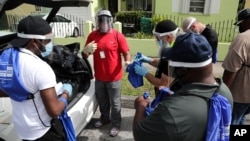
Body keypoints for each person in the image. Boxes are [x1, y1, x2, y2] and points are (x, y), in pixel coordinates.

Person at [133, 33, 233, 141]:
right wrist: (176, 96)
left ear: (183, 70)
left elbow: (140, 134)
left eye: (174, 67)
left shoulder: (170, 112)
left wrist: (141, 106)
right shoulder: (225, 93)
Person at [0, 16, 72, 140]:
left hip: (22, 130)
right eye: (47, 40)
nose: (50, 44)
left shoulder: (7, 59)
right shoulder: (40, 68)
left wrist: (22, 91)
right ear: (34, 41)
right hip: (42, 131)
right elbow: (54, 111)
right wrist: (65, 94)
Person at [81, 9, 131, 137]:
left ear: (111, 21)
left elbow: (126, 52)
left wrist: (127, 61)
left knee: (115, 103)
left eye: (106, 20)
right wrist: (85, 50)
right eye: (100, 20)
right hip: (99, 77)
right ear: (97, 21)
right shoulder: (93, 35)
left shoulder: (117, 35)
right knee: (102, 101)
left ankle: (115, 124)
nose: (103, 23)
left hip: (114, 77)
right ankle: (105, 119)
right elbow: (85, 55)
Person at [134, 19, 179, 96]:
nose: (157, 41)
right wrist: (149, 60)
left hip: (168, 97)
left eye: (158, 38)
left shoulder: (172, 55)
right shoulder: (175, 47)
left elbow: (163, 84)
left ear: (169, 37)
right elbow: (165, 67)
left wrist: (146, 73)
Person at [222, 8, 250, 125]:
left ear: (246, 21)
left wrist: (222, 94)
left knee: (231, 122)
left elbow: (231, 70)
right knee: (242, 118)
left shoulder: (243, 38)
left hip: (240, 94)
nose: (240, 27)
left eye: (241, 23)